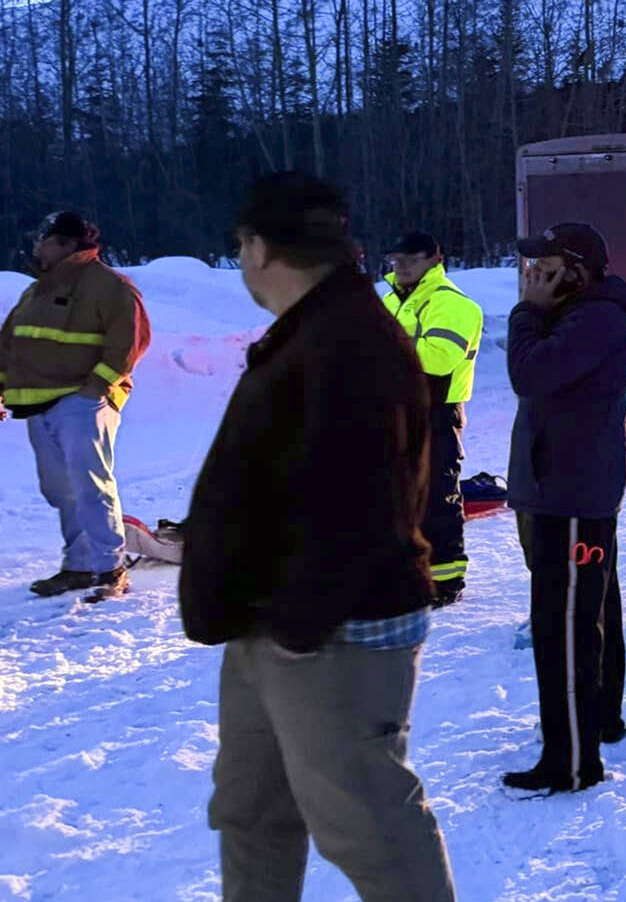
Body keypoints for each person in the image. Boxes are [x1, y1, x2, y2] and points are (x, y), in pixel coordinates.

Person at [179, 173, 455, 902]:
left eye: (241, 245)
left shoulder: (353, 341)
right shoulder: (312, 330)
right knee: (252, 811)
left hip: (330, 633)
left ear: (261, 247)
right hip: (271, 621)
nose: (241, 260)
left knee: (371, 831)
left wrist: (300, 625)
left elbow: (368, 502)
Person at [503, 220, 626, 794]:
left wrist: (525, 313)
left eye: (545, 265)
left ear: (578, 271)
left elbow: (529, 374)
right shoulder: (585, 314)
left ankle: (569, 762)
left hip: (570, 497)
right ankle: (598, 721)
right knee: (589, 615)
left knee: (562, 628)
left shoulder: (595, 319)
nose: (533, 274)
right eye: (530, 265)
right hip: (572, 491)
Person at [0, 211, 150, 600]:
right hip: (36, 403)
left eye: (45, 240)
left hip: (82, 400)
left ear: (68, 245)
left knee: (91, 486)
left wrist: (96, 388)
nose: (37, 246)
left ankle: (110, 568)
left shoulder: (110, 287)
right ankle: (79, 566)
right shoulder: (36, 290)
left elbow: (130, 341)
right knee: (62, 490)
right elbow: (11, 341)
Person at [381, 231, 483, 606]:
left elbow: (439, 358)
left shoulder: (451, 304)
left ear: (435, 261)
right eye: (396, 259)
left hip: (435, 412)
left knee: (436, 498)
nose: (402, 265)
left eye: (411, 258)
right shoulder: (393, 301)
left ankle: (444, 580)